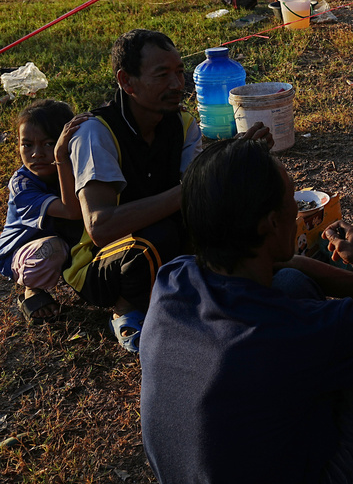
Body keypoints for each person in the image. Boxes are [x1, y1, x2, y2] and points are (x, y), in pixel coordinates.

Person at [140, 139, 353, 484]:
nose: (296, 213)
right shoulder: (301, 330)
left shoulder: (174, 279)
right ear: (269, 224)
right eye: (291, 204)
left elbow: (286, 262)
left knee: (292, 281)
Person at [63, 29, 270, 353]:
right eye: (162, 75)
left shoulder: (182, 123)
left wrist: (235, 156)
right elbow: (101, 227)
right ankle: (126, 308)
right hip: (102, 263)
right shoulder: (96, 132)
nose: (177, 85)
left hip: (164, 237)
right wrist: (186, 190)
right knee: (155, 240)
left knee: (220, 220)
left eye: (179, 73)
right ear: (127, 82)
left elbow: (200, 196)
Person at [0, 100, 88, 324]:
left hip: (67, 238)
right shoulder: (23, 187)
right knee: (50, 251)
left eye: (48, 143)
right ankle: (32, 288)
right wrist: (59, 156)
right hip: (28, 250)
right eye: (27, 145)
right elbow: (72, 211)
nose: (36, 154)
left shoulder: (79, 166)